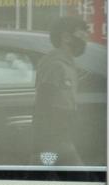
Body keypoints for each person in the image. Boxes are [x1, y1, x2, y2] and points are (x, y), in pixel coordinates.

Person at [33, 16, 88, 166]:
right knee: (78, 177)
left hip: (62, 135)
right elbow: (44, 101)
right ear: (66, 38)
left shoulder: (67, 63)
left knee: (48, 173)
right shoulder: (56, 65)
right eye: (82, 35)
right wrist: (46, 140)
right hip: (55, 136)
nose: (85, 41)